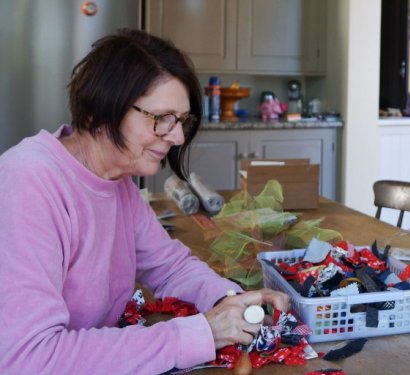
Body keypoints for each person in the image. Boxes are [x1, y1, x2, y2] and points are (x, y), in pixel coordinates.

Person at [0, 29, 290, 373]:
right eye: (161, 119)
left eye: (181, 121)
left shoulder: (117, 180)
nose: (178, 135)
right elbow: (29, 359)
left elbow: (169, 265)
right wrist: (202, 333)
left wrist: (230, 300)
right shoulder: (27, 181)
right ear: (101, 108)